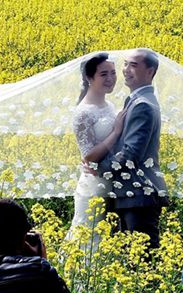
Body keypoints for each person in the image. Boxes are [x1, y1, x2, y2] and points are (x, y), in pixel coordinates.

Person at [98, 48, 169, 249]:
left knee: (142, 260)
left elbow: (131, 154)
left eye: (134, 65)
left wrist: (100, 168)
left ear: (150, 72)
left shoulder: (143, 105)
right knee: (133, 259)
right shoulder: (137, 101)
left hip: (139, 196)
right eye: (125, 64)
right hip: (131, 195)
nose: (126, 70)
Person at [65, 52, 126, 253]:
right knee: (91, 238)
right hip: (94, 187)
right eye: (103, 74)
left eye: (113, 73)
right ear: (89, 78)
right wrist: (117, 132)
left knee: (111, 239)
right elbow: (89, 156)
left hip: (111, 181)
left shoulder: (108, 105)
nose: (111, 79)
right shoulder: (83, 112)